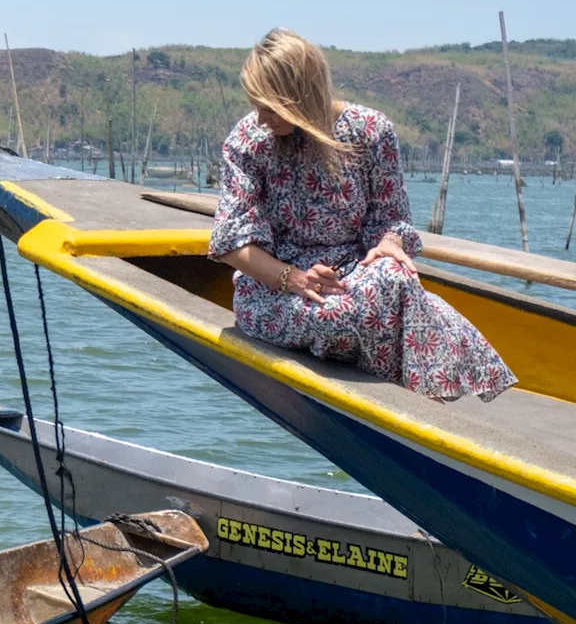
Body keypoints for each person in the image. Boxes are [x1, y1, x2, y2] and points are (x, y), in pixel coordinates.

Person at [209, 29, 516, 402]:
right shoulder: (248, 141)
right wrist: (296, 278)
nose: (260, 118)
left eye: (270, 107)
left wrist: (388, 245)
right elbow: (230, 242)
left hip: (351, 271)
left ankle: (419, 400)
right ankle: (415, 391)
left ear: (300, 96)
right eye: (255, 104)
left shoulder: (370, 131)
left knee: (395, 276)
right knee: (333, 315)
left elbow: (392, 219)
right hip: (274, 280)